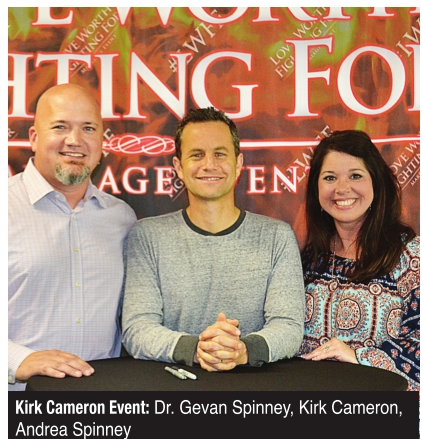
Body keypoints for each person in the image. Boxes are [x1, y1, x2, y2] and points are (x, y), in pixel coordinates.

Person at [122, 107, 305, 371]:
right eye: (197, 155)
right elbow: (137, 329)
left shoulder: (277, 237)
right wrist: (197, 349)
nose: (209, 165)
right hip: (171, 387)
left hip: (255, 388)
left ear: (238, 164)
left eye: (219, 154)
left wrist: (242, 351)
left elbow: (289, 327)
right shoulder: (147, 237)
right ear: (178, 167)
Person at [8, 83, 137, 391]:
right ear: (34, 138)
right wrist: (16, 359)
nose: (75, 140)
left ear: (102, 141)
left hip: (103, 402)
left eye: (88, 128)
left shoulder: (122, 219)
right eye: (60, 127)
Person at [298, 130, 420, 391]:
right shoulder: (309, 259)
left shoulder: (409, 256)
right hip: (314, 404)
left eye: (355, 175)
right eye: (330, 177)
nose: (342, 188)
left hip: (385, 406)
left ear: (376, 182)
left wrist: (360, 356)